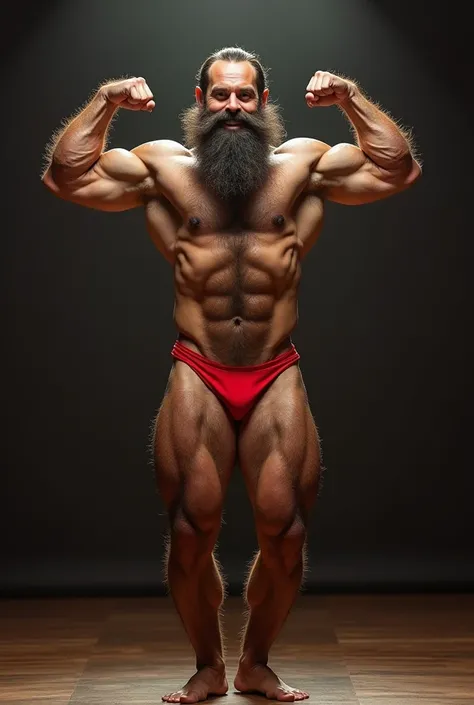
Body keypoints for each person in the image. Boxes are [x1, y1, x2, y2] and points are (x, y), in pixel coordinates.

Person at [41, 46, 421, 703]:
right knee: (190, 532)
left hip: (275, 370)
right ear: (199, 101)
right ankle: (208, 665)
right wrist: (106, 101)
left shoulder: (301, 164)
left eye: (246, 96)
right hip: (198, 367)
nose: (233, 109)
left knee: (287, 534)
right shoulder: (163, 167)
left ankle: (255, 663)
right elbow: (66, 176)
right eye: (221, 96)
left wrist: (351, 99)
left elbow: (397, 167)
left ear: (264, 104)